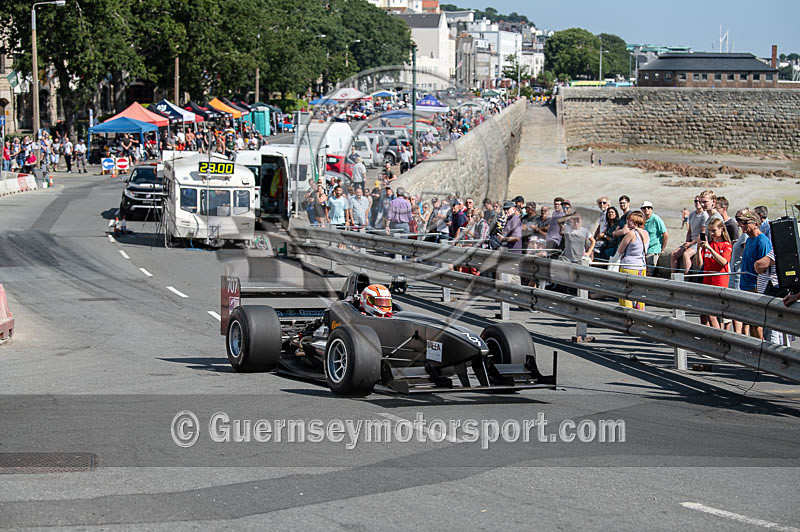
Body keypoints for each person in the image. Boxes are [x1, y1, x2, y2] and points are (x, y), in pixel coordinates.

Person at [736, 208, 771, 340]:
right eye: (740, 222)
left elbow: (765, 268)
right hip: (745, 285)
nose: (741, 226)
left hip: (756, 287)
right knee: (750, 323)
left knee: (757, 325)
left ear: (755, 223)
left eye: (745, 223)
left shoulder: (762, 241)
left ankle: (762, 351)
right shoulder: (749, 240)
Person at [698, 218, 733, 328]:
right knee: (704, 313)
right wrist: (700, 249)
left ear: (721, 230)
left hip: (719, 281)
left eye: (714, 231)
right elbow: (700, 263)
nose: (712, 234)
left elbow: (724, 262)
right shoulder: (710, 244)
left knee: (713, 314)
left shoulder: (726, 245)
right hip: (707, 280)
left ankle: (718, 336)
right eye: (710, 231)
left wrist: (710, 249)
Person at [617, 210, 649, 310]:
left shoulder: (631, 234)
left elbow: (620, 250)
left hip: (629, 267)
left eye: (629, 220)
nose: (627, 222)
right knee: (639, 295)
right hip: (641, 266)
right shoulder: (646, 233)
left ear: (635, 222)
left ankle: (628, 317)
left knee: (627, 295)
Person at [672, 197, 707, 275]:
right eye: (696, 201)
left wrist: (692, 244)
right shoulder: (692, 214)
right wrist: (687, 242)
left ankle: (687, 277)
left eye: (699, 201)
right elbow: (689, 231)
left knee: (686, 255)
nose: (697, 203)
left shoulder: (704, 215)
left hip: (699, 242)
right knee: (674, 254)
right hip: (691, 241)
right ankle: (673, 276)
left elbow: (703, 233)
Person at [640, 200, 669, 275]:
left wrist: (662, 249)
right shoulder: (643, 220)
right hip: (644, 250)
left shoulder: (656, 219)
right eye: (644, 208)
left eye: (648, 208)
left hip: (653, 250)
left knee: (649, 272)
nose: (646, 209)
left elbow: (665, 234)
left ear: (651, 209)